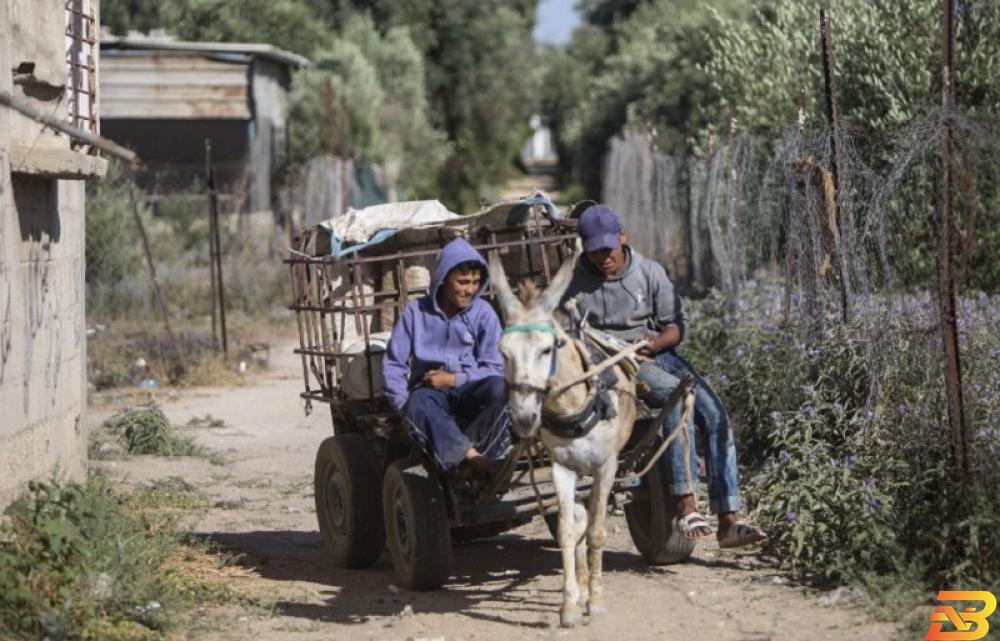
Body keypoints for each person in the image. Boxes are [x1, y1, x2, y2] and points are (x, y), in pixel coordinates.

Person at [562, 204, 766, 548]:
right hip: (609, 363)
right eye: (594, 251)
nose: (602, 257)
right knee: (677, 400)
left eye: (608, 249)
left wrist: (655, 343)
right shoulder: (572, 284)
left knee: (715, 415)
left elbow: (675, 327)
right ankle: (686, 505)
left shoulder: (650, 272)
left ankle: (728, 519)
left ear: (622, 237)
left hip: (656, 354)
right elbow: (566, 335)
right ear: (583, 246)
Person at [383, 237, 510, 475]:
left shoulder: (484, 313)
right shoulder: (415, 313)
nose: (470, 290)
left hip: (471, 389)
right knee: (418, 402)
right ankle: (471, 457)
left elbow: (496, 367)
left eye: (475, 282)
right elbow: (394, 364)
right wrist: (405, 408)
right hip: (430, 393)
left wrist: (455, 380)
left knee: (502, 387)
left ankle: (475, 452)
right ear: (443, 280)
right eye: (462, 282)